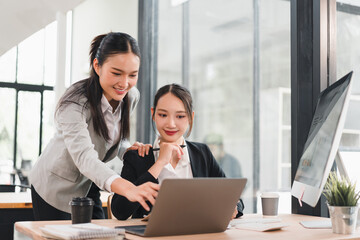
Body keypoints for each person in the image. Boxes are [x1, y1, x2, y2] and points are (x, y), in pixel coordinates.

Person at [29, 32, 159, 220]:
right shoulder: (75, 102)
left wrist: (126, 149)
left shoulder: (131, 96)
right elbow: (84, 156)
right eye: (116, 73)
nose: (124, 83)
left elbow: (112, 137)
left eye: (133, 75)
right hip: (54, 186)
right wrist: (128, 188)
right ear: (97, 66)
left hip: (88, 183)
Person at [111, 83, 244, 220]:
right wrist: (160, 163)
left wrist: (233, 207)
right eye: (163, 115)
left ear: (191, 117)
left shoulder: (202, 153)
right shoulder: (138, 156)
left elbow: (235, 198)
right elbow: (120, 211)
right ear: (153, 114)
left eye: (180, 116)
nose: (171, 124)